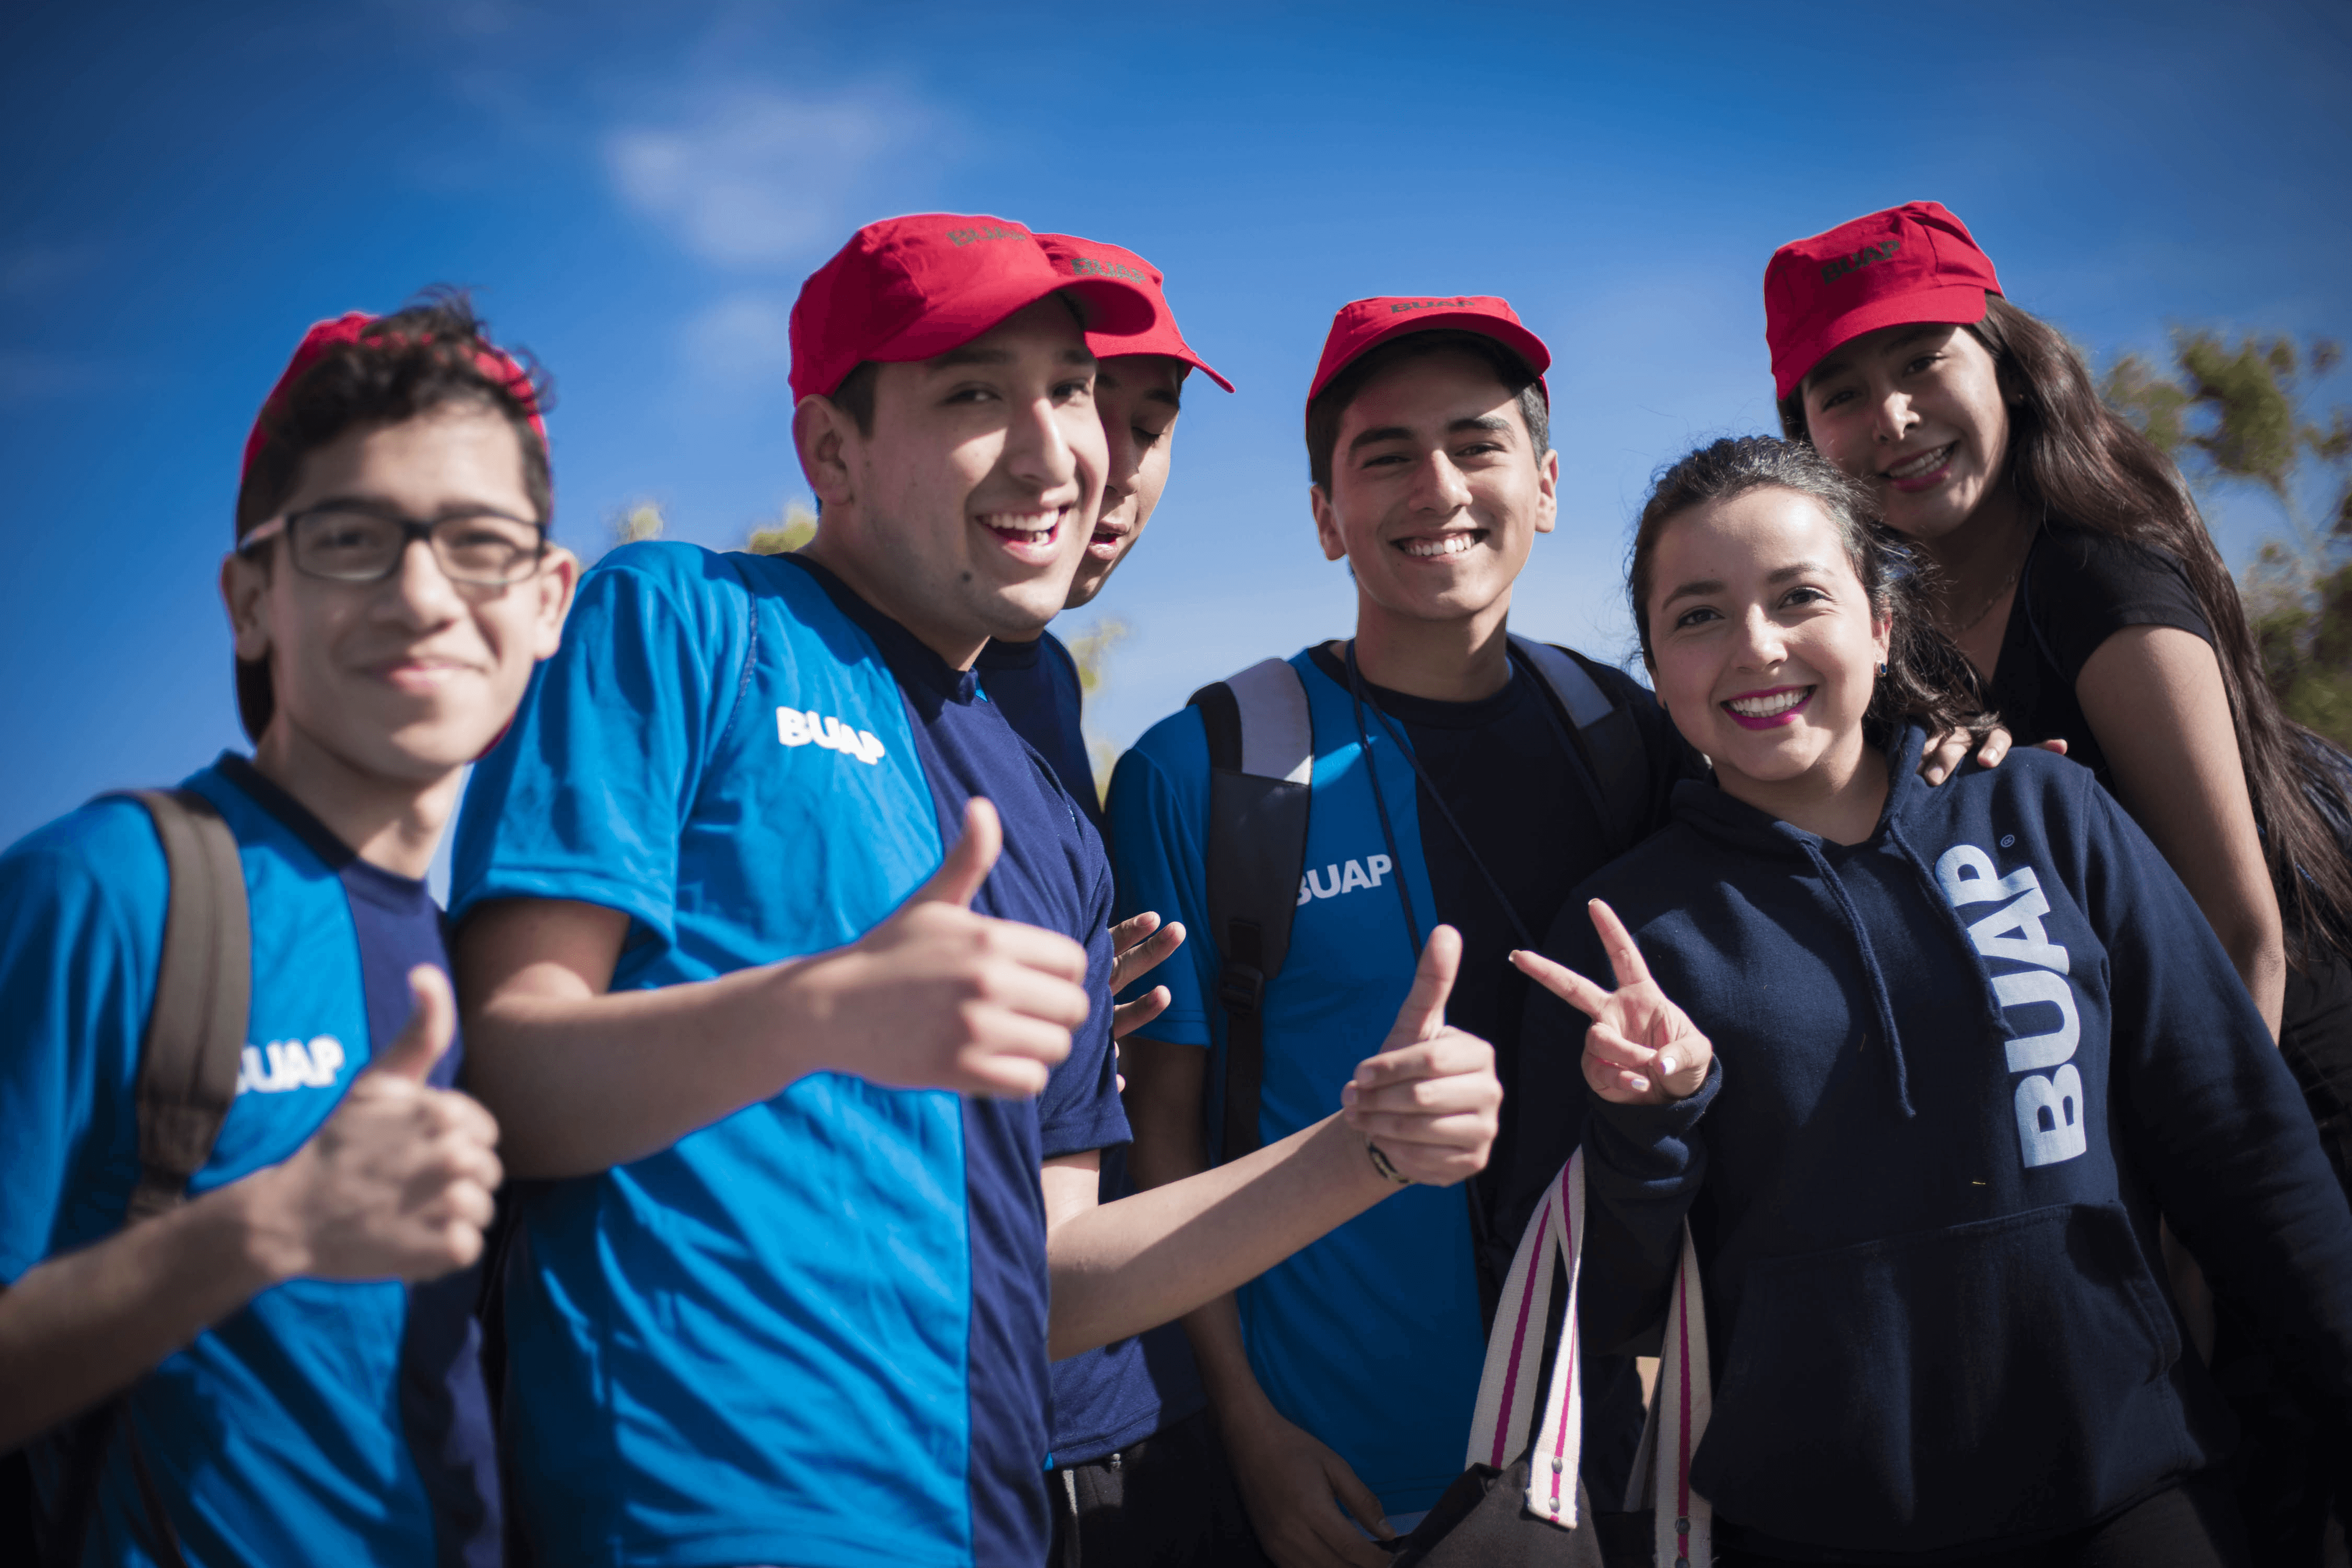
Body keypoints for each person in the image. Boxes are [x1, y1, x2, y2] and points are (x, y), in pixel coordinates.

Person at [449, 213, 1504, 1568]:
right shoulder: (680, 618)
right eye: (971, 393)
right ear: (831, 450)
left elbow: (1052, 1284)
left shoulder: (1053, 818)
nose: (1056, 442)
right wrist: (817, 1009)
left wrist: (1361, 1151)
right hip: (691, 1514)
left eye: (1068, 389)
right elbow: (503, 1078)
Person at [1512, 434, 2352, 1567]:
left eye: (1800, 595)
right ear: (1657, 669)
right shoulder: (1623, 938)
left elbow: (2245, 1150)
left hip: (2134, 1490)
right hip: (1811, 1534)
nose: (1756, 647)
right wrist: (1647, 1124)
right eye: (1698, 615)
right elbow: (1602, 1317)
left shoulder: (2047, 815)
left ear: (1883, 623)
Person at [1765, 199, 2352, 1553]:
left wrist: (2182, 1259)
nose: (1895, 416)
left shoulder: (2094, 577)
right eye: (1842, 392)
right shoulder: (1903, 634)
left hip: (2283, 1139)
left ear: (2006, 365)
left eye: (1924, 362)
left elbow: (2238, 936)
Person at [0, 297, 577, 1566]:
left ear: (547, 599)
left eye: (477, 541)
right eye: (353, 537)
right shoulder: (105, 893)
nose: (422, 593)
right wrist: (272, 1225)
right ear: (251, 596)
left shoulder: (468, 956)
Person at [966, 232, 1259, 1568]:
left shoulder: (1045, 679)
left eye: (1153, 421)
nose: (1118, 463)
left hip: (1118, 1397)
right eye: (1093, 404)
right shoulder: (840, 654)